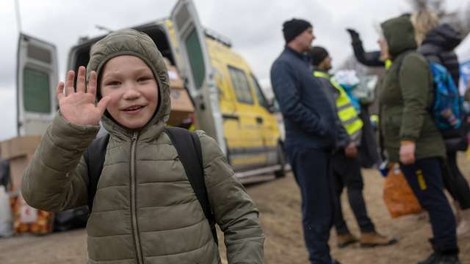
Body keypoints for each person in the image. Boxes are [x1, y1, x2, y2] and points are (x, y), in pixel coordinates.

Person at [21, 29, 264, 264]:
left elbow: (240, 219)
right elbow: (40, 196)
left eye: (142, 79)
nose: (131, 93)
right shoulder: (93, 156)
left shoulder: (195, 147)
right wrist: (68, 130)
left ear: (161, 84)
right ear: (98, 94)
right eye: (114, 83)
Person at [378, 15, 460, 264]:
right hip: (416, 145)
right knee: (429, 198)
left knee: (433, 198)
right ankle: (441, 249)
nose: (380, 43)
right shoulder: (399, 62)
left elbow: (415, 103)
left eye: (383, 38)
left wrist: (408, 141)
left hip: (421, 146)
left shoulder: (411, 62)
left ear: (395, 38)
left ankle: (448, 254)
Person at [270, 18, 342, 264]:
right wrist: (322, 128)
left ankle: (325, 257)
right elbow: (290, 107)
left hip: (321, 147)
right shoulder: (283, 66)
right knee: (316, 210)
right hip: (306, 148)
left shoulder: (303, 63)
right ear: (296, 35)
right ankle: (319, 260)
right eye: (310, 32)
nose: (314, 37)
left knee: (328, 206)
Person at [310, 46, 397, 249]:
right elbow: (332, 115)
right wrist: (346, 142)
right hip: (342, 145)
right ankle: (367, 232)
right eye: (328, 56)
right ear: (321, 60)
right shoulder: (322, 81)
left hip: (331, 146)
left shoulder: (315, 79)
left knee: (335, 190)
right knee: (354, 186)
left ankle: (342, 233)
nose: (331, 58)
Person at [417, 22, 470, 238]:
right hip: (453, 118)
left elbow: (434, 90)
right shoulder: (446, 50)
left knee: (449, 172)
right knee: (451, 170)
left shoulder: (428, 53)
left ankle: (466, 217)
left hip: (441, 121)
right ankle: (462, 215)